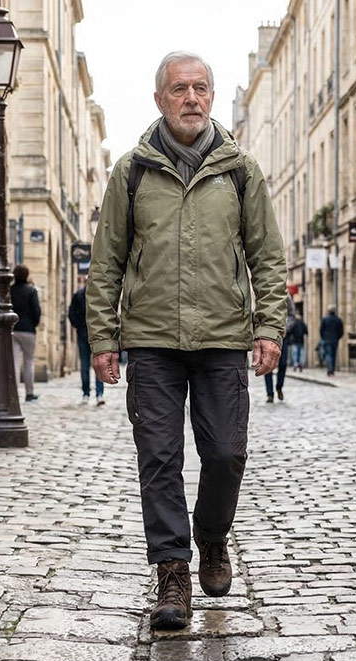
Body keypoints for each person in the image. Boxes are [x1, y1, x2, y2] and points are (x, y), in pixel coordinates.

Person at [86, 52, 287, 631]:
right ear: (160, 99)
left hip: (223, 336)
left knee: (226, 453)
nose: (192, 98)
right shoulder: (131, 172)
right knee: (160, 459)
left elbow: (266, 257)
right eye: (180, 89)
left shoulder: (241, 171)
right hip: (151, 340)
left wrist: (268, 326)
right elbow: (107, 263)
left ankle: (212, 536)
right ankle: (172, 571)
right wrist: (104, 335)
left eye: (201, 88)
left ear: (212, 96)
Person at [68, 278, 104, 406]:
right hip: (84, 335)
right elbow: (71, 314)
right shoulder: (78, 296)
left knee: (98, 365)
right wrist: (78, 326)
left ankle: (99, 393)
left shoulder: (99, 297)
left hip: (96, 335)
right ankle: (86, 393)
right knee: (85, 367)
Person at [10, 264, 41, 402]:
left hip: (13, 329)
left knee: (15, 362)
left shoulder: (10, 290)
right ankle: (29, 392)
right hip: (28, 330)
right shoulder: (31, 290)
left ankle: (14, 393)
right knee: (29, 362)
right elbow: (36, 311)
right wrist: (33, 324)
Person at [265, 295, 295, 402]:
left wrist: (286, 328)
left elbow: (291, 315)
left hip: (283, 336)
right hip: (269, 335)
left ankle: (279, 387)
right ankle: (269, 394)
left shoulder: (286, 297)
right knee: (268, 364)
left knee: (283, 363)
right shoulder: (266, 295)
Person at [319, 307, 344, 375]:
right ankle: (332, 369)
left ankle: (329, 369)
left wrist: (323, 337)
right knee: (333, 354)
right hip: (335, 339)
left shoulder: (325, 319)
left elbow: (321, 330)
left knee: (328, 354)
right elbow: (341, 331)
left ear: (328, 312)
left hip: (327, 339)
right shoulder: (338, 320)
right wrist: (338, 337)